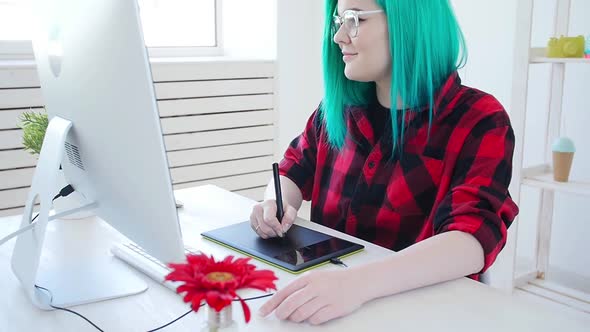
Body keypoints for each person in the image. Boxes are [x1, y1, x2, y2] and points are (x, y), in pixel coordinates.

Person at [252, 0, 519, 325]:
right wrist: (274, 204)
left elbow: (472, 239)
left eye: (353, 19)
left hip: (425, 315)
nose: (338, 36)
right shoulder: (336, 111)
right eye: (338, 20)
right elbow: (292, 170)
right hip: (332, 304)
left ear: (409, 21)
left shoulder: (480, 119)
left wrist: (356, 285)